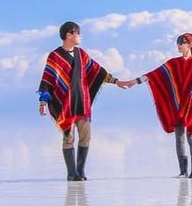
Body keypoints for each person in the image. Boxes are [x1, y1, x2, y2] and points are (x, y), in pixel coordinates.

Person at [37, 21, 131, 181]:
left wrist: (116, 82)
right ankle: (71, 173)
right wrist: (43, 102)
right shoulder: (55, 56)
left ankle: (80, 171)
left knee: (85, 136)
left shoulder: (82, 54)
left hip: (82, 102)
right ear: (68, 35)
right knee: (68, 138)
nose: (80, 37)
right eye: (78, 34)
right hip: (65, 104)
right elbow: (48, 79)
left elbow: (98, 71)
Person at [126, 32, 192, 178]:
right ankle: (183, 171)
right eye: (178, 42)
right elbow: (154, 75)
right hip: (177, 105)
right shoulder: (173, 63)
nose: (179, 45)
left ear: (190, 44)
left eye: (182, 42)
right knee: (179, 138)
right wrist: (135, 81)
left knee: (191, 137)